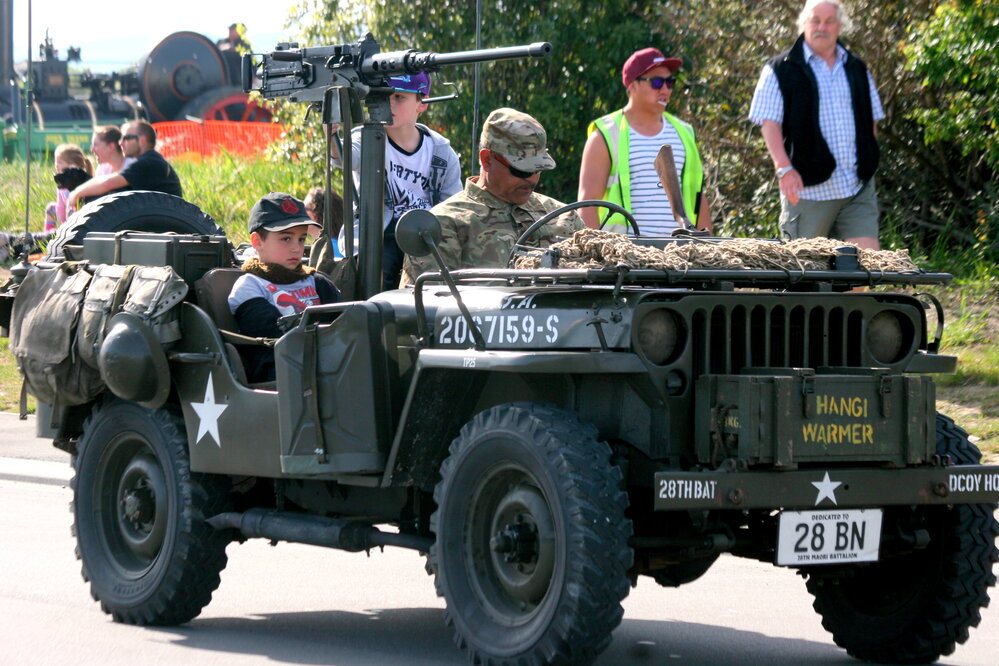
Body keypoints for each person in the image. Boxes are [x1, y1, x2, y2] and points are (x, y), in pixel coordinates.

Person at [748, 0, 884, 250]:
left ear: (840, 26)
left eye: (829, 21)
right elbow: (769, 124)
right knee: (804, 273)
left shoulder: (856, 67)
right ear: (803, 24)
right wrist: (784, 169)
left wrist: (868, 161)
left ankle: (855, 291)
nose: (822, 27)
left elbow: (871, 123)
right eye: (815, 20)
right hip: (809, 191)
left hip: (856, 186)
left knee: (867, 266)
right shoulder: (780, 68)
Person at [401, 107, 584, 286]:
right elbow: (424, 307)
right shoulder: (444, 225)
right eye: (520, 170)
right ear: (487, 159)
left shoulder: (563, 216)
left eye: (538, 169)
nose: (532, 179)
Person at [334, 72, 462, 290]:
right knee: (378, 277)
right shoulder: (366, 138)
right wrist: (331, 134)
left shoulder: (441, 151)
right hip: (379, 234)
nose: (389, 104)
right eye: (384, 97)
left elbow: (452, 208)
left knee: (442, 278)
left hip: (424, 235)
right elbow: (344, 157)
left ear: (421, 104)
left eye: (399, 98)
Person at [579, 47, 711, 235]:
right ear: (632, 85)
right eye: (657, 82)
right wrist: (591, 253)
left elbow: (699, 198)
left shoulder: (685, 132)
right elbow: (587, 203)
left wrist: (710, 248)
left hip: (682, 254)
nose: (665, 89)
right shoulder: (605, 134)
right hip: (626, 257)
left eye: (670, 82)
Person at [227, 192, 340, 383]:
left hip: (326, 365)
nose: (296, 248)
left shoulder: (316, 281)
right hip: (281, 374)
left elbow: (345, 323)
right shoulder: (250, 286)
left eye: (302, 239)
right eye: (286, 239)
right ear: (257, 242)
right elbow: (274, 335)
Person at [68, 120, 182, 209]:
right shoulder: (149, 159)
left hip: (166, 223)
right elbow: (106, 180)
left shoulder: (147, 162)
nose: (121, 143)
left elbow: (107, 183)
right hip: (162, 216)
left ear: (142, 141)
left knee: (93, 199)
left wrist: (76, 194)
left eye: (127, 138)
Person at [48, 144, 94, 230]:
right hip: (66, 217)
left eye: (60, 162)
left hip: (79, 218)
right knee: (51, 208)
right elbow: (60, 206)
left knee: (71, 210)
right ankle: (49, 233)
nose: (56, 165)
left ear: (73, 165)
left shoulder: (82, 181)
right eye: (56, 162)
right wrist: (62, 224)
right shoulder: (62, 182)